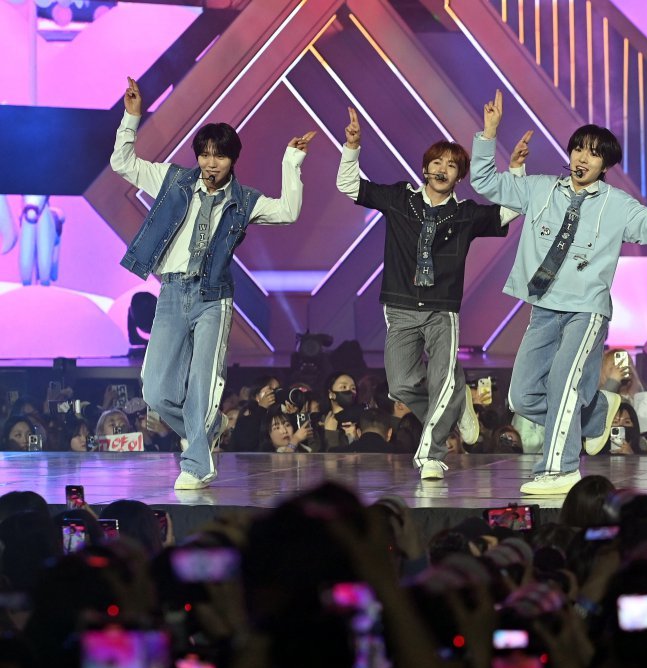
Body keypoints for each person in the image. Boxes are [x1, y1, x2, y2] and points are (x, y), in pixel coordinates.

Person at [470, 90, 647, 494]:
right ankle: (595, 413)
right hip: (543, 307)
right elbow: (484, 182)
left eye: (594, 153)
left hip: (585, 310)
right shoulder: (539, 189)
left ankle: (560, 470)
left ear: (605, 165)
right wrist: (489, 133)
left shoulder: (617, 204)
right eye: (578, 149)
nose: (583, 158)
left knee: (563, 386)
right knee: (521, 396)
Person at [111, 77, 314, 490]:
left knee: (202, 384)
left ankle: (198, 466)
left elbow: (289, 211)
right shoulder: (172, 180)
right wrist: (131, 118)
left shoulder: (245, 200)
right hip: (172, 292)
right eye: (204, 154)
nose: (210, 162)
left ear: (232, 159)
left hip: (212, 298)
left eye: (219, 155)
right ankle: (210, 427)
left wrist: (291, 162)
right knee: (155, 391)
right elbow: (123, 164)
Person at [337, 108, 525, 479]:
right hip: (400, 305)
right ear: (425, 169)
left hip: (442, 310)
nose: (442, 169)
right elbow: (349, 186)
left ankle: (431, 456)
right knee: (401, 385)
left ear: (459, 177)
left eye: (451, 166)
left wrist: (515, 169)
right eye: (436, 162)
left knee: (442, 380)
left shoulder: (465, 214)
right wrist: (352, 147)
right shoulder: (400, 198)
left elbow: (509, 211)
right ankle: (457, 404)